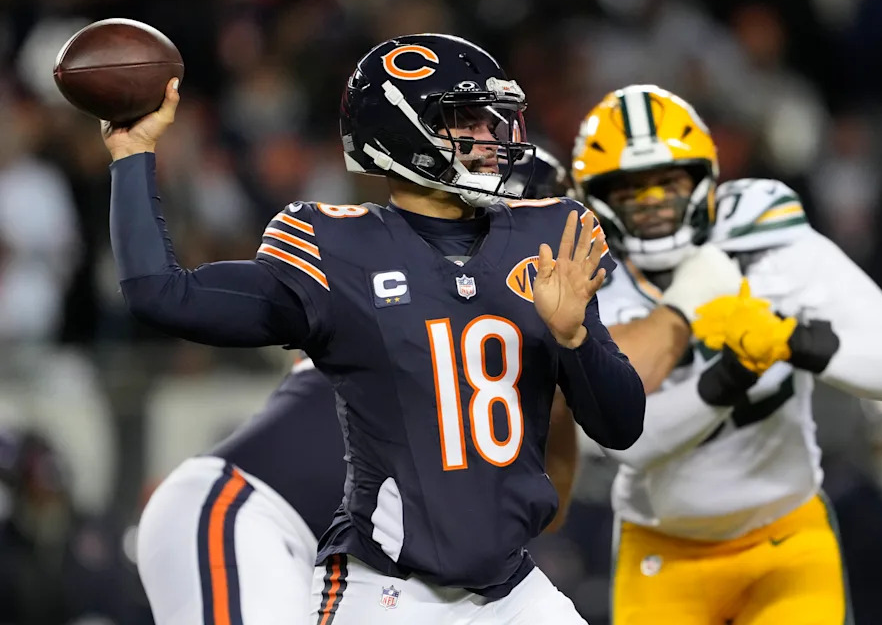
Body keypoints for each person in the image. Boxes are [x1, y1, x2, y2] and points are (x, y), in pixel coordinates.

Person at [105, 33, 645, 624]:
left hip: (509, 587)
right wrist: (133, 154)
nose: (494, 137)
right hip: (390, 588)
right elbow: (163, 295)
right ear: (404, 133)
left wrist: (576, 340)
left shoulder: (553, 234)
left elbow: (621, 426)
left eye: (496, 119)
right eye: (468, 120)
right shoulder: (336, 248)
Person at [133, 150, 583, 625]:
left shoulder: (484, 336)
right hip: (244, 516)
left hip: (345, 569)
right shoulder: (391, 298)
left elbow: (540, 516)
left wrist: (562, 367)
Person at [571, 84, 882, 624]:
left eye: (667, 182)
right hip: (664, 550)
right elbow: (628, 442)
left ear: (702, 177)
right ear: (598, 195)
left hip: (786, 538)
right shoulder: (589, 279)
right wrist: (735, 374)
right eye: (631, 190)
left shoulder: (766, 241)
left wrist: (794, 339)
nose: (652, 204)